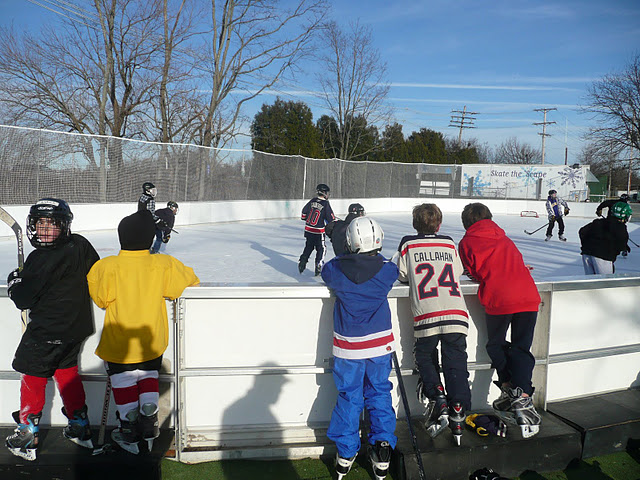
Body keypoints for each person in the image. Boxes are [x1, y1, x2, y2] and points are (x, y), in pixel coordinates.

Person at [87, 210, 199, 454]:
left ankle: (129, 431)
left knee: (124, 381)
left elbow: (101, 298)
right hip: (152, 341)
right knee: (148, 375)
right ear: (149, 238)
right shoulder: (163, 264)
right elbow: (191, 279)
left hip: (120, 344)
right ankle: (149, 425)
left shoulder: (107, 266)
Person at [5, 198, 99, 461]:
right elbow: (96, 271)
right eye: (40, 223)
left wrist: (15, 282)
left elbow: (23, 299)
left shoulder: (39, 258)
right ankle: (79, 426)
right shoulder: (80, 244)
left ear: (63, 225)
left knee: (32, 374)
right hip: (75, 329)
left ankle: (27, 436)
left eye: (52, 223)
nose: (45, 229)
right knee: (66, 372)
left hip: (46, 332)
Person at [321, 217, 398, 480]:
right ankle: (382, 447)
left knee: (350, 396)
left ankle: (346, 452)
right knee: (379, 392)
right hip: (379, 344)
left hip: (349, 346)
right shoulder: (387, 271)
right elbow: (391, 268)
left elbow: (327, 269)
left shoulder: (336, 269)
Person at [458, 203, 542, 439]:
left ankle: (509, 388)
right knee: (521, 348)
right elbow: (513, 261)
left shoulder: (467, 242)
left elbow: (472, 271)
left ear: (466, 222)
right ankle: (521, 395)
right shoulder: (504, 237)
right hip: (527, 295)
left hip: (500, 298)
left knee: (495, 345)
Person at [396, 203, 470, 446]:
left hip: (426, 314)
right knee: (456, 361)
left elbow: (402, 275)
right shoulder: (448, 243)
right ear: (439, 225)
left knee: (425, 356)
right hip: (455, 311)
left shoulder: (408, 244)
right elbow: (457, 271)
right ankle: (458, 406)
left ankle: (437, 398)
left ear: (415, 224)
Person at [579, 201, 631, 275]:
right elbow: (621, 243)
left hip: (586, 254)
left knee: (590, 280)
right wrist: (615, 251)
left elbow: (582, 231)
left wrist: (586, 246)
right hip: (603, 257)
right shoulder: (620, 227)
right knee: (605, 281)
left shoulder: (598, 222)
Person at [299, 183, 335, 276]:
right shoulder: (325, 204)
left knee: (309, 246)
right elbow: (331, 219)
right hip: (318, 231)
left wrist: (306, 219)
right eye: (327, 192)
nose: (328, 194)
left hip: (308, 230)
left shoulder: (312, 201)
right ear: (323, 193)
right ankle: (319, 264)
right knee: (321, 248)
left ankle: (302, 261)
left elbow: (304, 214)